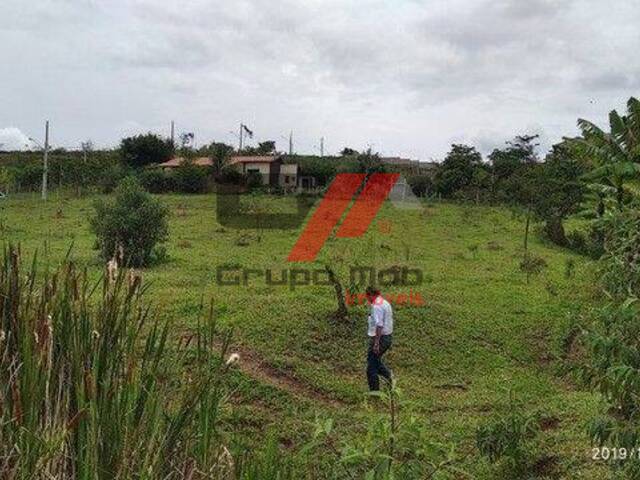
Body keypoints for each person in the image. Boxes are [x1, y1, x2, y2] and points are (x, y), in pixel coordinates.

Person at [365, 286, 394, 391]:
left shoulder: (377, 306)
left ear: (371, 295)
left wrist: (376, 343)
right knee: (375, 361)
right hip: (387, 337)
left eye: (367, 296)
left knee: (371, 368)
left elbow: (379, 325)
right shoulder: (384, 302)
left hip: (381, 339)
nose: (367, 299)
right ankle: (390, 378)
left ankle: (375, 393)